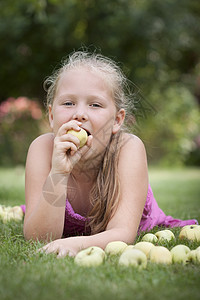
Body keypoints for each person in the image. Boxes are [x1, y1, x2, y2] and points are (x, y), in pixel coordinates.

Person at [21, 50, 198, 257]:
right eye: (68, 103)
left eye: (95, 105)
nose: (79, 114)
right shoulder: (41, 149)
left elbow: (123, 233)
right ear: (51, 116)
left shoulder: (127, 149)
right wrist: (58, 172)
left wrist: (75, 245)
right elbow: (39, 238)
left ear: (117, 120)